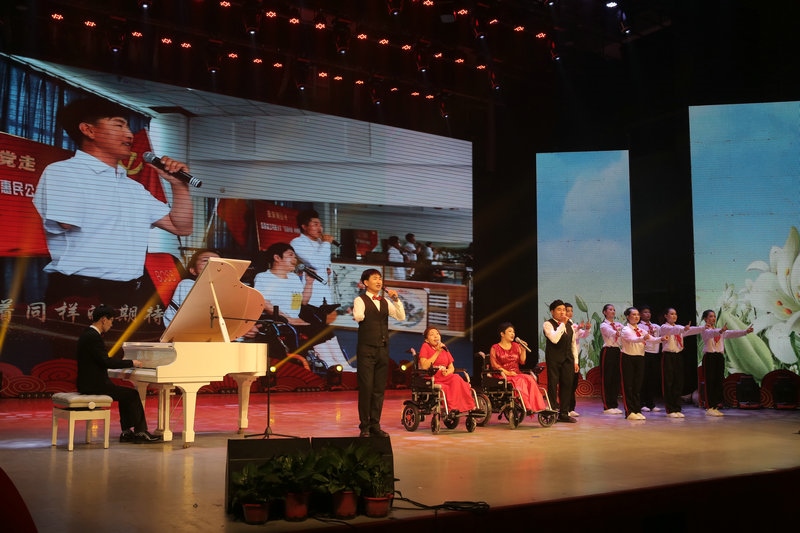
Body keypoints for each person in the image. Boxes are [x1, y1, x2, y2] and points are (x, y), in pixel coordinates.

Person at [32, 98, 193, 307]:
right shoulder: (63, 172)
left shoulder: (133, 188)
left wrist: (178, 186)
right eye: (119, 125)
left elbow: (181, 227)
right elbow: (66, 222)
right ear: (88, 130)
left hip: (128, 293)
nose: (129, 134)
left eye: (128, 126)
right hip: (81, 292)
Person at [76, 304, 161, 443]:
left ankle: (126, 432)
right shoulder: (93, 337)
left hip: (87, 383)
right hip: (94, 385)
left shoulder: (87, 334)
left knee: (125, 395)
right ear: (104, 319)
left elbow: (101, 361)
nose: (111, 324)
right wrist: (131, 362)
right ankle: (140, 432)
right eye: (111, 320)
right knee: (132, 394)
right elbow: (106, 361)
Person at [352, 268, 406, 437]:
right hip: (366, 349)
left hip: (383, 349)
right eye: (375, 278)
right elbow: (358, 316)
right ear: (365, 282)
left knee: (379, 389)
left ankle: (375, 424)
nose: (379, 281)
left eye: (380, 278)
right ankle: (364, 426)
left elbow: (400, 317)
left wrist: (396, 300)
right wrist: (359, 314)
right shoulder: (360, 300)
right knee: (366, 388)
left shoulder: (384, 301)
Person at [699, 309, 754, 416]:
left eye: (714, 316)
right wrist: (720, 331)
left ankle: (715, 406)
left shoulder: (719, 330)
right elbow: (711, 333)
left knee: (718, 381)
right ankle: (709, 407)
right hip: (709, 357)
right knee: (710, 382)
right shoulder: (704, 330)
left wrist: (745, 331)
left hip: (719, 357)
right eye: (710, 316)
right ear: (705, 319)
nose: (713, 318)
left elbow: (731, 333)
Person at [490, 322, 549, 416]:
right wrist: (508, 373)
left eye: (513, 332)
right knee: (520, 381)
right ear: (502, 334)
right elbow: (494, 365)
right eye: (510, 331)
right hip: (502, 375)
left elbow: (522, 361)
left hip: (516, 373)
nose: (513, 334)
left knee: (530, 378)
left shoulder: (516, 346)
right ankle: (527, 406)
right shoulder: (495, 347)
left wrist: (523, 349)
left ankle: (539, 406)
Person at [253, 243, 315, 327]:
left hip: (295, 321)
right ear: (277, 258)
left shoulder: (294, 278)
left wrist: (309, 283)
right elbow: (264, 304)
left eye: (295, 257)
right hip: (277, 323)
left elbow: (303, 302)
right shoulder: (263, 277)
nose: (295, 260)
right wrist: (288, 319)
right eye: (290, 255)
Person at [417, 326, 477, 413]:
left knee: (457, 379)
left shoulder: (444, 348)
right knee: (449, 385)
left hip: (444, 376)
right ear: (426, 340)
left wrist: (448, 371)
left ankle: (471, 407)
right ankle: (452, 408)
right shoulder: (425, 346)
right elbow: (424, 366)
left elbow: (451, 367)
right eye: (432, 334)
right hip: (432, 377)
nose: (436, 336)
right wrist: (437, 352)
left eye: (437, 334)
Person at [658, 308, 704, 418]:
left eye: (675, 314)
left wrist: (703, 328)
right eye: (671, 314)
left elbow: (691, 330)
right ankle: (670, 409)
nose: (674, 316)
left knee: (678, 382)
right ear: (666, 316)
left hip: (678, 356)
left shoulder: (678, 327)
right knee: (669, 382)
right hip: (668, 356)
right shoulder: (664, 327)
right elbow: (674, 330)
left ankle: (677, 408)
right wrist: (684, 329)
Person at [619, 307, 661, 420]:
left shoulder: (641, 330)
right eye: (634, 314)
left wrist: (661, 339)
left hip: (640, 357)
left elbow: (652, 339)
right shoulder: (626, 329)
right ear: (628, 317)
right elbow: (632, 339)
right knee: (628, 386)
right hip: (628, 357)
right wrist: (643, 338)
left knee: (637, 386)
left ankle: (637, 410)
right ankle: (629, 411)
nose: (636, 316)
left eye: (638, 314)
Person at [163, 249, 220, 327]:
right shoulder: (187, 284)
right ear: (193, 270)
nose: (212, 263)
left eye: (218, 261)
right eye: (205, 260)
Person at [290, 209, 335, 307]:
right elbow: (315, 263)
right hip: (308, 293)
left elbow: (326, 265)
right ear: (304, 226)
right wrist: (326, 243)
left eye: (320, 225)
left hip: (324, 291)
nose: (320, 228)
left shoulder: (321, 243)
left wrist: (329, 271)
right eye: (315, 224)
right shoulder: (297, 242)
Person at [542, 300, 577, 423]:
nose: (562, 312)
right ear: (552, 312)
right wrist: (562, 324)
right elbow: (554, 339)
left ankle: (564, 413)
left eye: (564, 309)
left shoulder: (570, 324)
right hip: (554, 358)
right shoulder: (548, 324)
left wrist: (576, 361)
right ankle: (552, 411)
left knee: (567, 384)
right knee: (553, 384)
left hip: (568, 358)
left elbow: (573, 344)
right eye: (559, 309)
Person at [565, 302, 591, 418]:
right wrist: (577, 329)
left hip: (575, 358)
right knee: (567, 383)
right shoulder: (563, 325)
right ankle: (565, 408)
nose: (570, 313)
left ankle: (571, 408)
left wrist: (587, 329)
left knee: (574, 383)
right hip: (567, 357)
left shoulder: (574, 325)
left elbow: (583, 335)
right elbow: (570, 337)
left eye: (571, 310)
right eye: (567, 310)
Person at [599, 304, 624, 415]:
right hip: (608, 351)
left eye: (614, 309)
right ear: (605, 312)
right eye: (610, 309)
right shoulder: (604, 325)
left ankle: (614, 404)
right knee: (607, 378)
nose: (613, 311)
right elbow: (610, 332)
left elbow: (624, 334)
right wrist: (617, 332)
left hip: (617, 351)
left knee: (616, 378)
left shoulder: (619, 324)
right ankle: (607, 406)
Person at [638, 305, 663, 413]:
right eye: (645, 312)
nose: (648, 314)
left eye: (649, 312)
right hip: (644, 354)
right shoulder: (639, 326)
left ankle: (651, 403)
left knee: (652, 380)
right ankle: (641, 403)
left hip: (654, 354)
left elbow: (665, 333)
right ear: (640, 314)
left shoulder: (656, 326)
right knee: (643, 379)